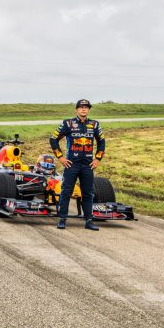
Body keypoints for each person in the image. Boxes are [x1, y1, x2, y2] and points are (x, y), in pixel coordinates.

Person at [49, 98, 105, 230]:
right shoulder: (67, 123)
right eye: (81, 107)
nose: (84, 109)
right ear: (77, 109)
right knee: (66, 191)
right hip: (71, 164)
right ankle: (62, 219)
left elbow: (102, 143)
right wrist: (61, 158)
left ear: (89, 110)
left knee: (88, 192)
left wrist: (97, 159)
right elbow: (53, 139)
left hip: (87, 165)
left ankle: (89, 221)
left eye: (86, 107)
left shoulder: (95, 124)